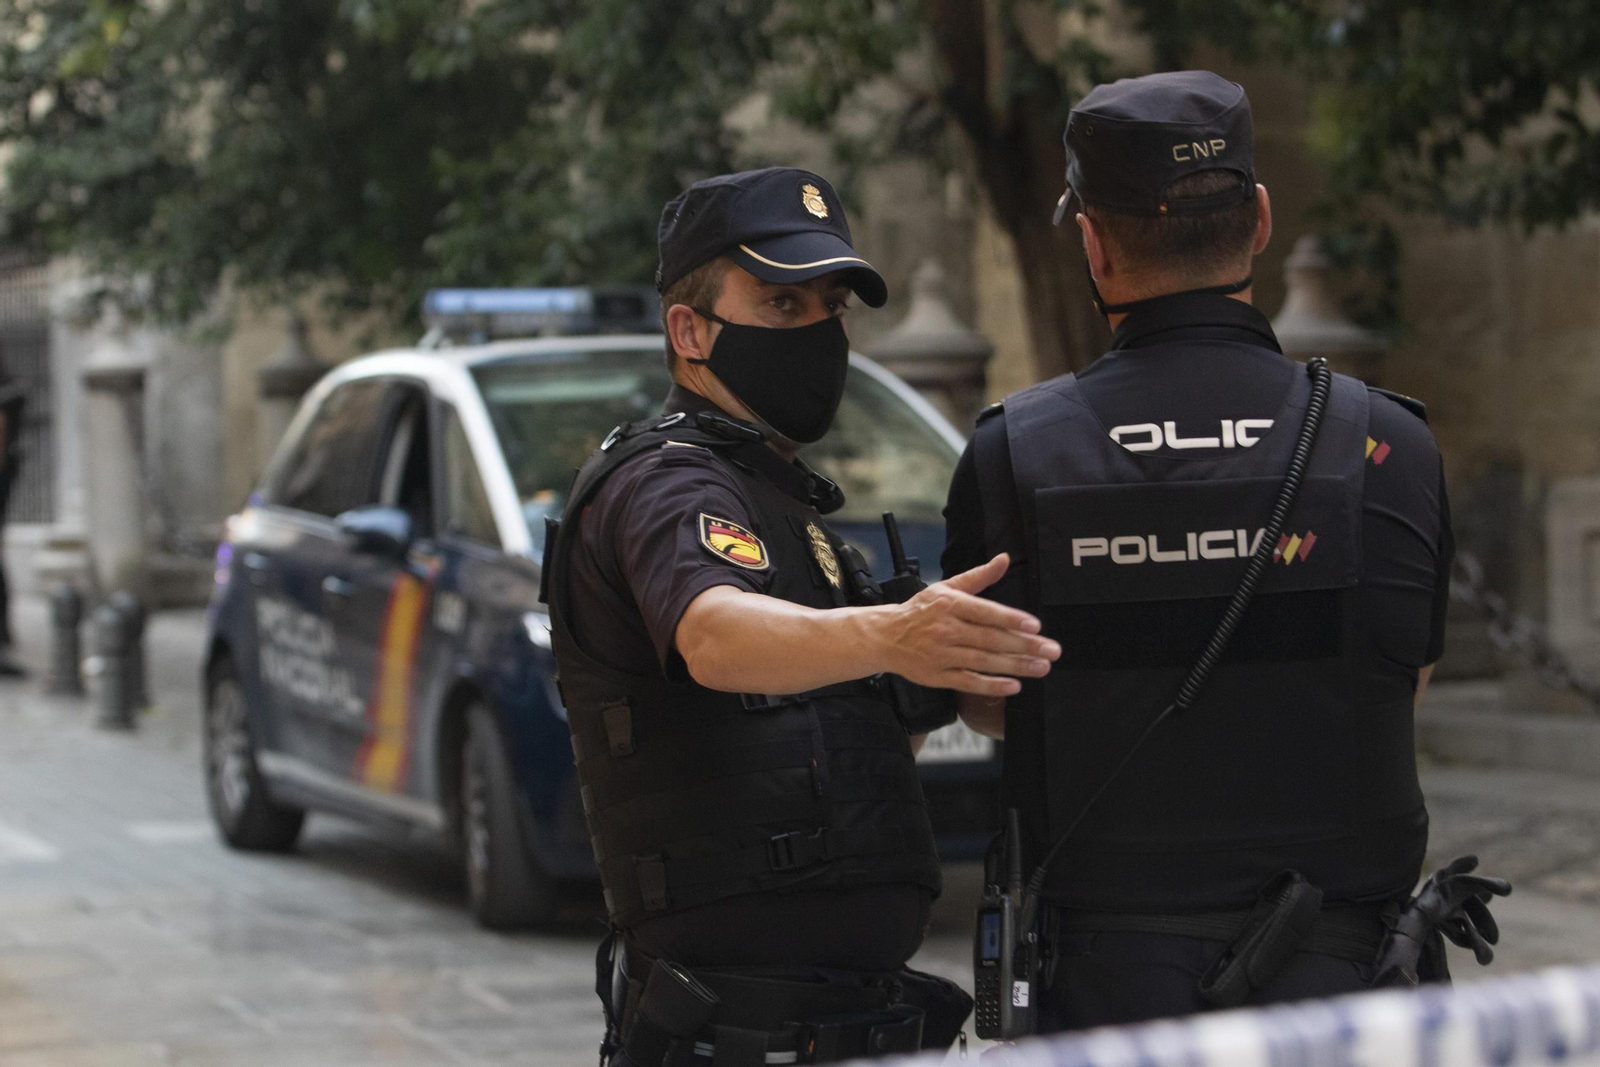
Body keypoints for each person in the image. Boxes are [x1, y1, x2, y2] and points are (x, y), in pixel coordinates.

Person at [942, 71, 1506, 1033]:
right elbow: (1395, 682)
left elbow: (991, 705)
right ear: (1259, 221)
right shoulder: (1389, 443)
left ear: (1093, 243)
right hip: (1347, 994)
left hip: (1107, 999)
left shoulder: (1015, 451)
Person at [544, 166, 1061, 1065]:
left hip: (844, 1021)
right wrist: (892, 634)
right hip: (731, 1027)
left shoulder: (787, 509)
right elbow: (713, 633)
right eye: (783, 306)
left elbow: (847, 744)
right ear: (689, 330)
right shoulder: (666, 482)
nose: (820, 331)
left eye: (832, 305)